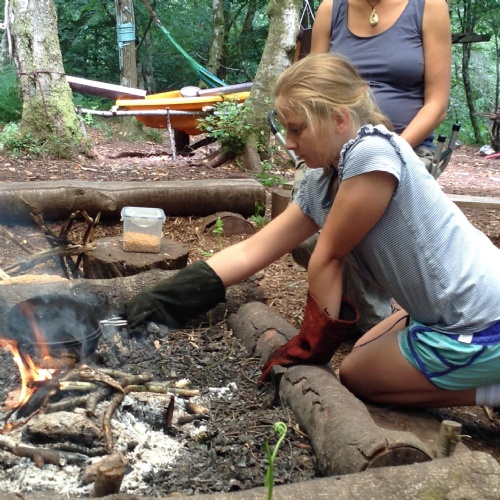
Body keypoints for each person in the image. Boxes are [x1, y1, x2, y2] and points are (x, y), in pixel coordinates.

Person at [126, 53, 500, 408]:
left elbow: (328, 257)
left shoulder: (372, 152)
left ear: (338, 119)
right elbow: (251, 251)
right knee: (364, 351)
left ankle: (492, 393)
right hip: (444, 312)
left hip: (479, 318)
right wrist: (162, 300)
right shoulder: (322, 185)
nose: (289, 142)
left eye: (297, 128)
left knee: (357, 376)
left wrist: (310, 346)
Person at [289, 0, 452, 331]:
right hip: (332, 147)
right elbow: (311, 90)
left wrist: (389, 150)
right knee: (306, 237)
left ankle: (371, 324)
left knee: (361, 233)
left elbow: (437, 102)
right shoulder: (330, 10)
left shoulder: (429, 7)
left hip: (407, 148)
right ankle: (353, 311)